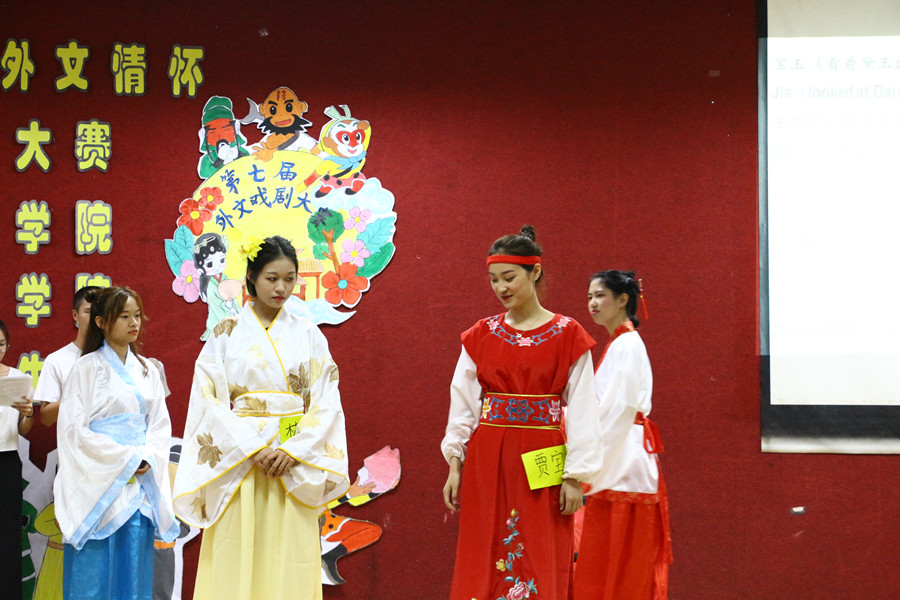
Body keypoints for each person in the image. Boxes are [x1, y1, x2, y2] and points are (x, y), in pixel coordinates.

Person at [173, 234, 350, 600]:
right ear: (252, 276)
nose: (281, 288)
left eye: (289, 278)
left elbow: (326, 400)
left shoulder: (310, 335)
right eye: (272, 278)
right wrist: (251, 447)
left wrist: (295, 449)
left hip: (292, 461)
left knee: (289, 559)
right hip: (242, 461)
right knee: (236, 553)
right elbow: (208, 399)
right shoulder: (225, 332)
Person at [441, 225, 601, 600]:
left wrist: (575, 477)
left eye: (509, 277)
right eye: (494, 279)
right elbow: (462, 404)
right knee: (485, 547)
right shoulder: (480, 335)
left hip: (543, 457)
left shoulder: (568, 334)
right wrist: (455, 462)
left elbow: (583, 409)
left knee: (540, 549)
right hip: (488, 459)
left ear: (535, 272)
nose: (501, 287)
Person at [54, 287, 180, 600]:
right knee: (93, 574)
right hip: (99, 482)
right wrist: (125, 459)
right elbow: (73, 432)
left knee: (133, 572)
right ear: (101, 322)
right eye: (124, 316)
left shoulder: (148, 370)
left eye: (137, 315)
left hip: (138, 483)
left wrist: (147, 457)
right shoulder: (85, 368)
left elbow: (159, 425)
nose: (133, 323)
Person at [573, 271, 672, 600]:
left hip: (623, 460)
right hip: (619, 453)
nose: (592, 303)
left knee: (622, 561)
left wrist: (584, 461)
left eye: (600, 295)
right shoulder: (620, 343)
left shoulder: (627, 345)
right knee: (610, 561)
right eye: (589, 297)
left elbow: (618, 410)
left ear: (622, 300)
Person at [0, 320, 35, 598]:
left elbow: (23, 430)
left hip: (7, 462)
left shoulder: (18, 378)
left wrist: (28, 413)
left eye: (1, 344)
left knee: (7, 535)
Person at [34, 285, 100, 426]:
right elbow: (46, 418)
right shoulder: (56, 360)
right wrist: (79, 396)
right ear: (75, 315)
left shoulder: (116, 356)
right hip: (74, 439)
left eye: (100, 312)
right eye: (88, 311)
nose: (95, 317)